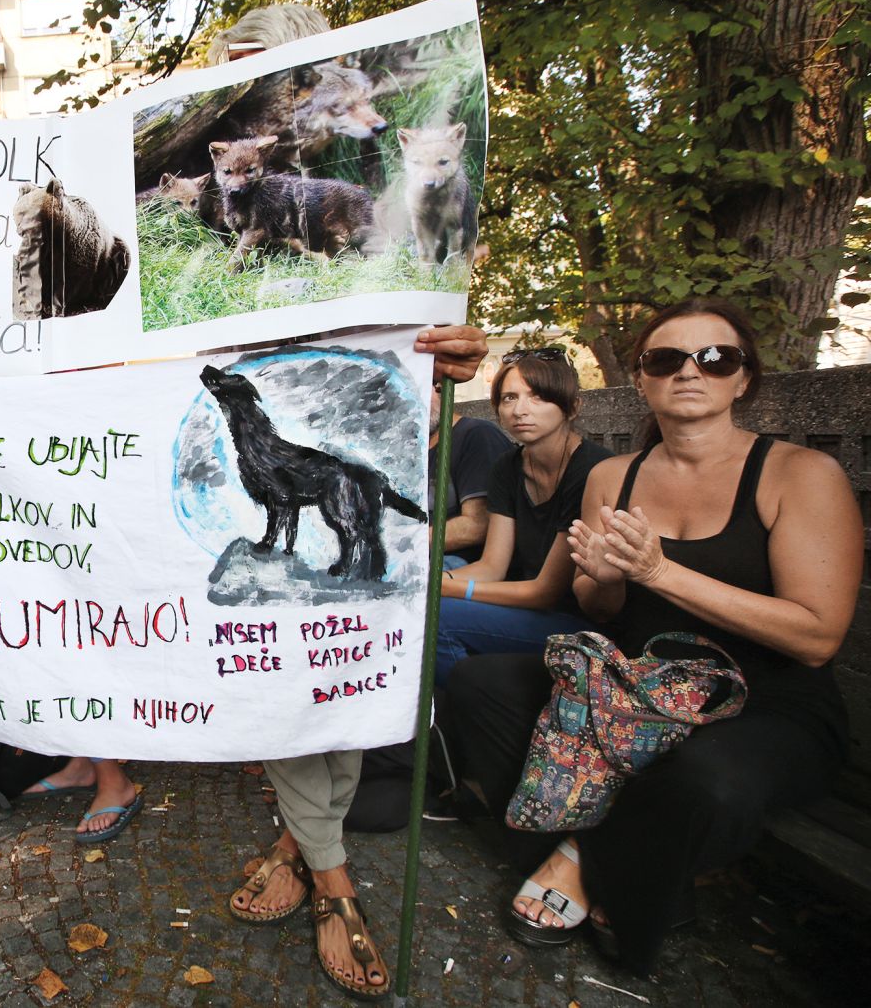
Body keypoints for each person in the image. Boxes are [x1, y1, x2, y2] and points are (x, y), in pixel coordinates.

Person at [450, 299, 860, 974]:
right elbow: (599, 608)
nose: (690, 372)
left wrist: (660, 571)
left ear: (743, 377)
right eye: (666, 359)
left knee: (704, 779)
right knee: (477, 684)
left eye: (715, 358)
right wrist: (606, 580)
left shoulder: (799, 475)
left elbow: (815, 637)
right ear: (642, 379)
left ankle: (589, 862)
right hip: (637, 687)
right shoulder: (615, 476)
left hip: (766, 701)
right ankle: (622, 860)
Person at [227, 324, 490, 1000]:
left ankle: (294, 845)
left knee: (348, 688)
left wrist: (450, 355)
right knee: (284, 693)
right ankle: (333, 877)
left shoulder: (379, 280)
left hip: (373, 574)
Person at [434, 349, 611, 686]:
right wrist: (434, 582)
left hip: (576, 620)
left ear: (572, 407)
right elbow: (492, 566)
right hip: (524, 601)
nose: (520, 410)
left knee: (436, 614)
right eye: (509, 398)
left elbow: (545, 591)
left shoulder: (592, 470)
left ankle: (465, 703)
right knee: (439, 573)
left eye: (538, 397)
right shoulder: (508, 466)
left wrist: (444, 590)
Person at [429, 383, 513, 565]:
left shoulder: (477, 435)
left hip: (462, 563)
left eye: (419, 390)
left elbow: (478, 525)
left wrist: (401, 542)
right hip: (419, 559)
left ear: (439, 388)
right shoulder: (404, 449)